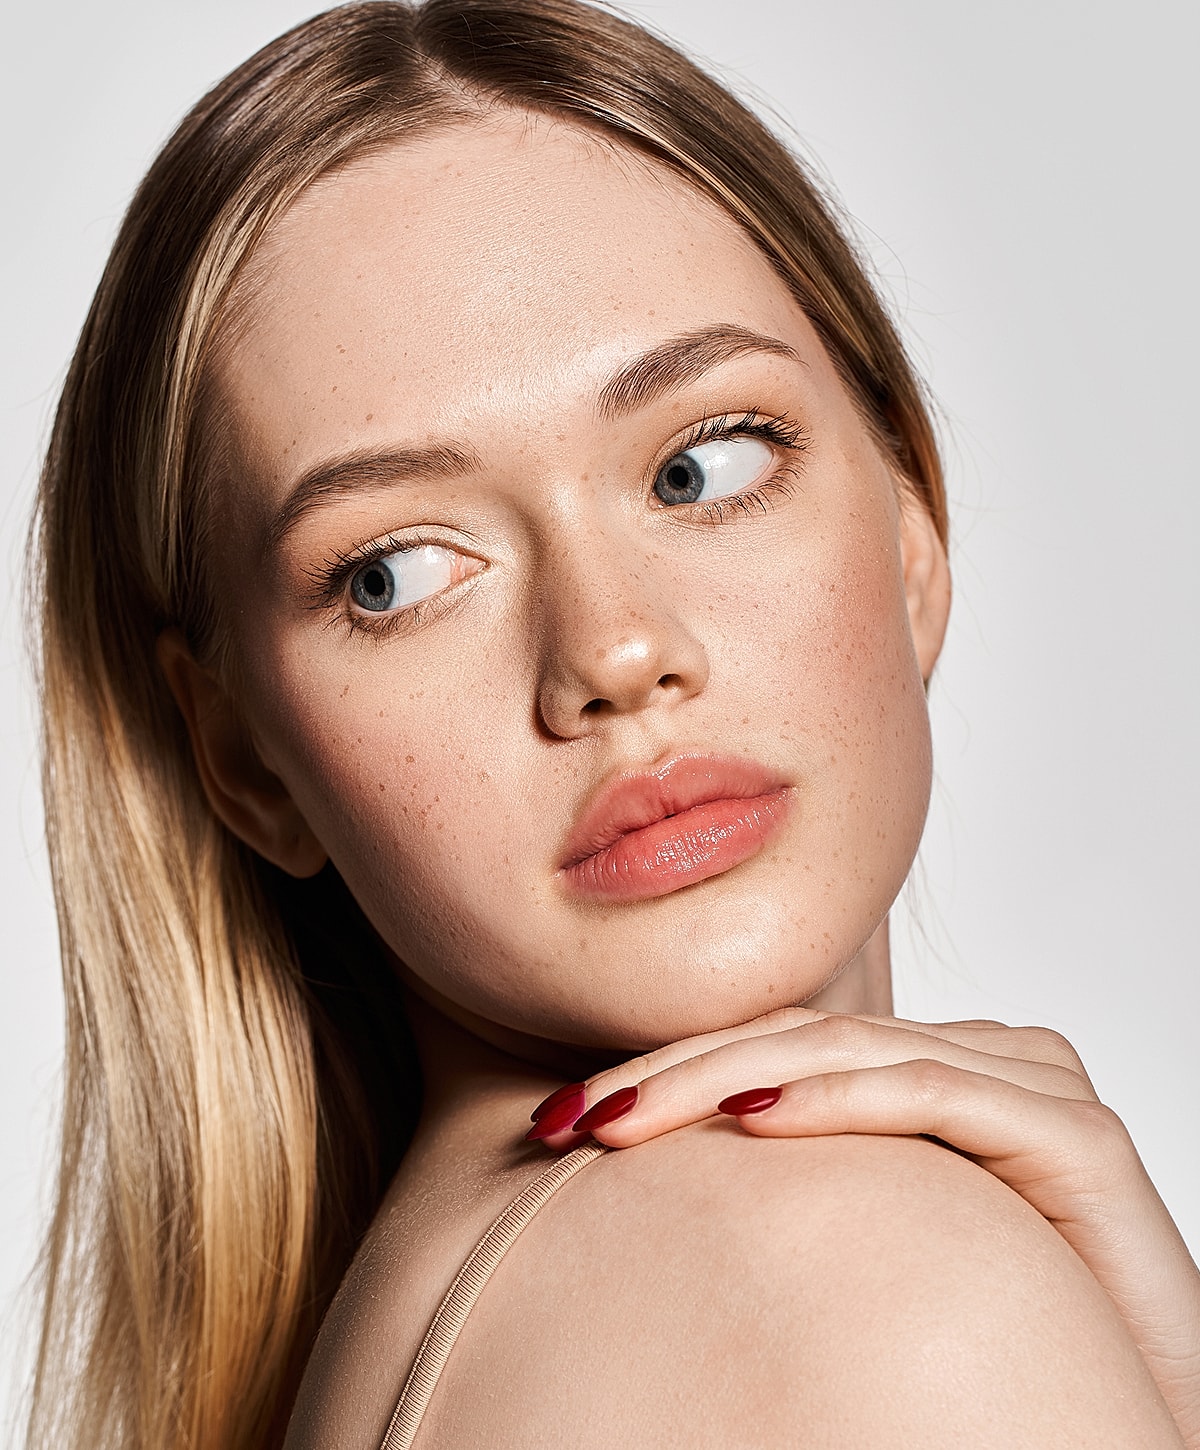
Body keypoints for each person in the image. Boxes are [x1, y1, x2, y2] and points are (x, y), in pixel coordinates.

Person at [24, 1, 1199, 1446]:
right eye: (393, 575)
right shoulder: (873, 1280)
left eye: (701, 467)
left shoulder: (437, 1315)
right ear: (246, 758)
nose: (613, 650)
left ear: (911, 532)